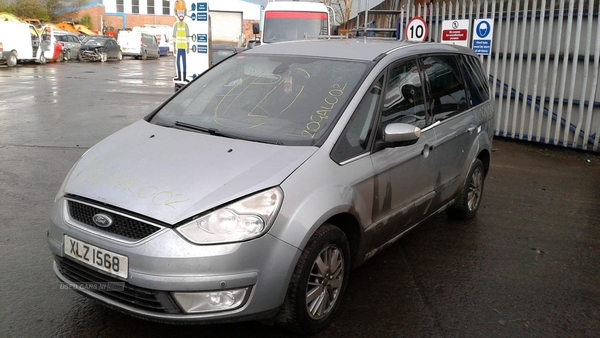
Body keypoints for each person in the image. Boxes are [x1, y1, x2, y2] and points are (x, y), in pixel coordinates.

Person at [173, 0, 190, 82]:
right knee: (178, 62)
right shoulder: (176, 25)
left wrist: (188, 47)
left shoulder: (185, 25)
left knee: (184, 62)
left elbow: (187, 36)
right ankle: (179, 77)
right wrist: (174, 47)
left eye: (182, 12)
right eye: (179, 12)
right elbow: (174, 37)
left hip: (183, 47)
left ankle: (184, 77)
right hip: (178, 47)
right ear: (176, 13)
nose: (181, 15)